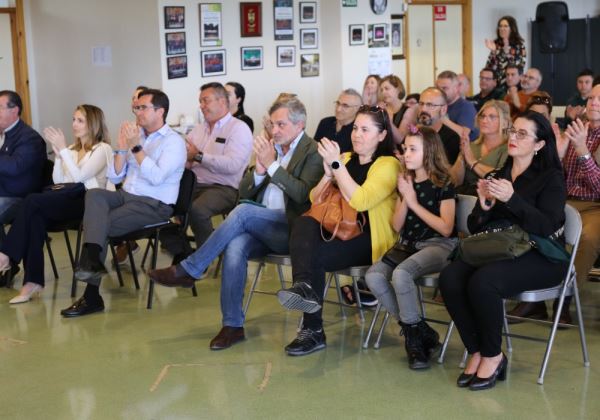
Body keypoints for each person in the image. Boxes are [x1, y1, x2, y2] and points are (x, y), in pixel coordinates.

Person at [148, 96, 323, 350]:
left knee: (241, 213)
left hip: (293, 230)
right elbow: (244, 193)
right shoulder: (272, 148)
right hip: (262, 224)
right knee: (235, 246)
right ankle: (232, 326)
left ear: (300, 124)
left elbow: (301, 195)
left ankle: (191, 269)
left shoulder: (312, 151)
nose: (274, 131)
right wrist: (261, 171)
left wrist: (272, 165)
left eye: (281, 125)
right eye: (272, 125)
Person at [439, 111, 568, 391]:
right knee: (450, 277)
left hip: (541, 255)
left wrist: (512, 199)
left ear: (539, 144)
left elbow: (546, 226)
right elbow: (475, 227)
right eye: (513, 131)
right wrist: (484, 207)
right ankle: (477, 350)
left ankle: (492, 355)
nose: (513, 137)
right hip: (500, 249)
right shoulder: (499, 173)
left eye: (523, 134)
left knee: (483, 282)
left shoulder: (551, 177)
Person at [276, 105, 400, 356]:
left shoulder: (388, 164)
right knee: (303, 221)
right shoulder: (345, 159)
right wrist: (326, 175)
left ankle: (313, 330)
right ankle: (303, 286)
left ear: (382, 135)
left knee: (317, 257)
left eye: (365, 129)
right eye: (355, 128)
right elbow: (313, 200)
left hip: (369, 239)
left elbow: (361, 201)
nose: (357, 134)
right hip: (338, 230)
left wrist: (336, 166)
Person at [60, 88, 186, 317]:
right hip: (125, 195)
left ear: (160, 111)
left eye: (143, 107)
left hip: (153, 204)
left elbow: (157, 177)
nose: (137, 112)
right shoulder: (136, 136)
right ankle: (92, 260)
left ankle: (91, 295)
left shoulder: (173, 142)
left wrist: (136, 147)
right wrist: (120, 148)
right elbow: (116, 177)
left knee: (99, 224)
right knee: (95, 194)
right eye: (136, 107)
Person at [0, 105, 113, 303]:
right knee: (34, 215)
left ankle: (6, 255)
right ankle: (32, 281)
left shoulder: (102, 149)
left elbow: (79, 179)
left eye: (80, 120)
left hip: (89, 203)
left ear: (93, 124)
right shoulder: (70, 149)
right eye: (73, 119)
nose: (74, 124)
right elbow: (59, 181)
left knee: (32, 200)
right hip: (66, 199)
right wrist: (61, 157)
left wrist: (63, 152)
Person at [365, 125, 457, 370]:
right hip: (408, 246)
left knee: (401, 274)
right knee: (373, 276)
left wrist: (413, 202)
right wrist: (405, 195)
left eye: (413, 149)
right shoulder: (407, 181)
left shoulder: (443, 182)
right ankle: (418, 330)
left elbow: (446, 228)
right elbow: (396, 225)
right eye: (405, 148)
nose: (406, 154)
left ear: (429, 152)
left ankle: (414, 344)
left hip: (440, 246)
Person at [509, 83, 600, 324]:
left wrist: (581, 150)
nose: (594, 103)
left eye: (599, 99)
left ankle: (565, 299)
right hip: (564, 199)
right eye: (591, 98)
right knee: (531, 219)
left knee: (587, 238)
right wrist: (558, 155)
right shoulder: (576, 128)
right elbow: (555, 174)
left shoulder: (581, 137)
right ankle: (534, 300)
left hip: (595, 206)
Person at [160, 82, 253, 264]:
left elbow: (233, 165)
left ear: (222, 102)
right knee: (160, 205)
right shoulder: (198, 129)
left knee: (197, 210)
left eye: (205, 101)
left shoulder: (238, 128)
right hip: (193, 184)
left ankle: (201, 261)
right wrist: (183, 160)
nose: (201, 106)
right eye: (200, 101)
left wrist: (199, 157)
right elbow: (186, 158)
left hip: (224, 188)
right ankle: (184, 253)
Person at [0, 90, 46, 226]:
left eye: (0, 108)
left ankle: (5, 248)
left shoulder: (29, 138)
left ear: (14, 111)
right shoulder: (4, 133)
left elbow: (14, 167)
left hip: (19, 197)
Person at [451, 100, 510, 195]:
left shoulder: (509, 148)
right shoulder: (471, 146)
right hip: (465, 198)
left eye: (492, 117)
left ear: (505, 123)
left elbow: (499, 179)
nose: (484, 121)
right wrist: (462, 156)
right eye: (483, 116)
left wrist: (472, 161)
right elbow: (455, 182)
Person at [415, 87, 460, 165]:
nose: (423, 109)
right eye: (421, 104)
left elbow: (446, 173)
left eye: (430, 105)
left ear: (443, 110)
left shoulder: (452, 138)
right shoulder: (413, 133)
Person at [314, 89, 363, 153]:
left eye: (345, 106)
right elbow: (313, 149)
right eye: (338, 103)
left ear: (357, 109)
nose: (338, 109)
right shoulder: (325, 123)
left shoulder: (357, 131)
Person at [436, 71, 479, 141]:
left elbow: (464, 134)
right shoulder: (438, 105)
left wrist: (442, 118)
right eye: (438, 88)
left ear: (456, 88)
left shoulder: (466, 106)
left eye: (444, 88)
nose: (440, 91)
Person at [485, 16, 526, 86]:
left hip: (511, 85)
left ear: (512, 29)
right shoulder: (496, 44)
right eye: (500, 26)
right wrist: (494, 51)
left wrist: (506, 52)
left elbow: (518, 69)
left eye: (505, 26)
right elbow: (489, 69)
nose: (502, 29)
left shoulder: (519, 46)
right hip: (495, 85)